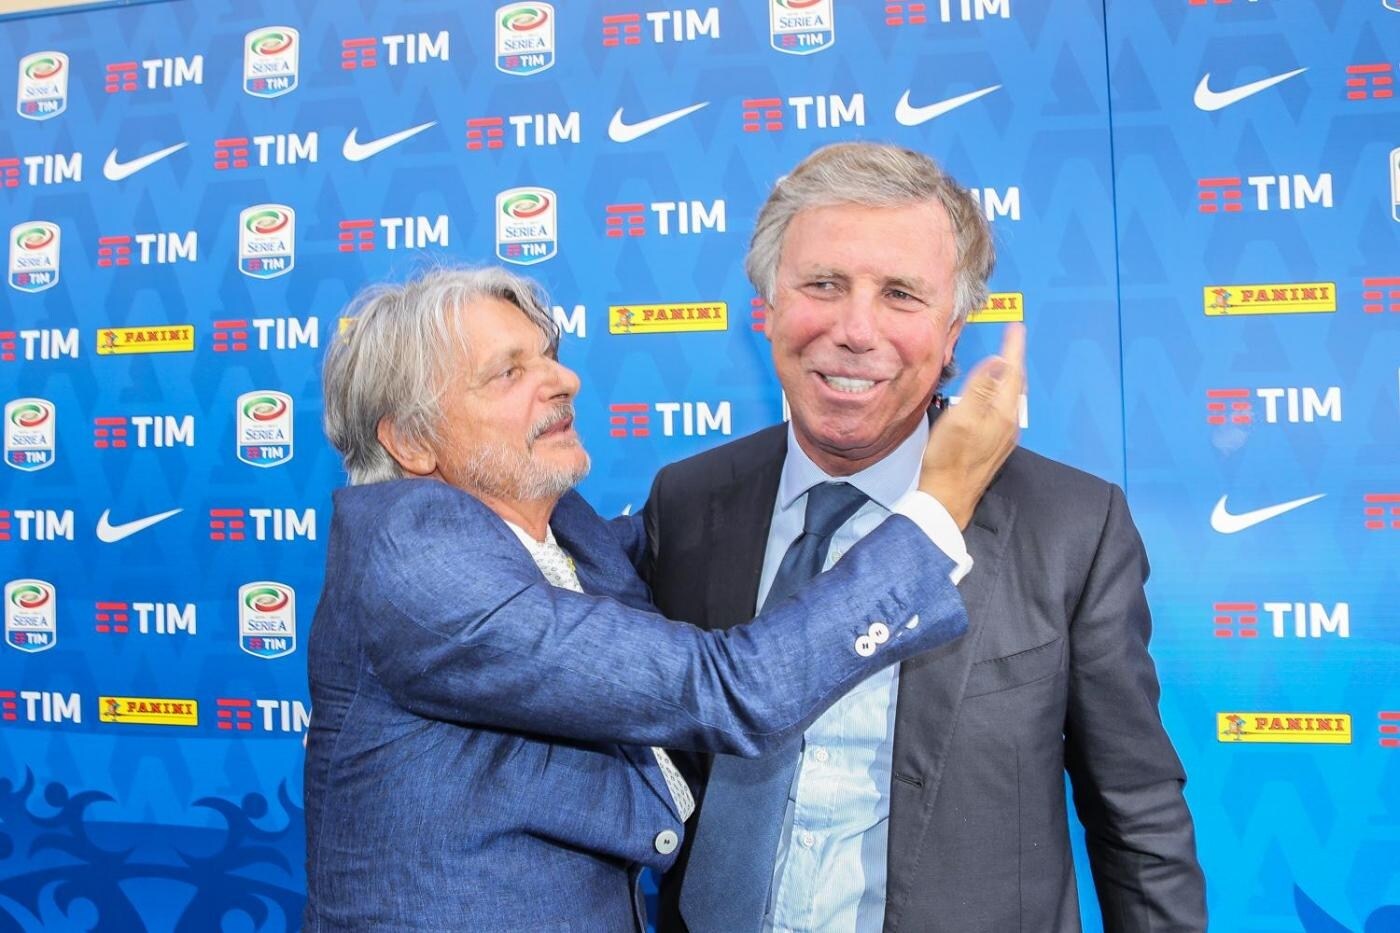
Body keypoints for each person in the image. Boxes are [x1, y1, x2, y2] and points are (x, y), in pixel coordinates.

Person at [301, 265, 1025, 931]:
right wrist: (937, 508)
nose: (563, 380)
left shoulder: (560, 525)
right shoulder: (416, 558)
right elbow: (733, 688)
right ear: (412, 441)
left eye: (548, 355)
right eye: (508, 372)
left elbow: (670, 537)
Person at [646, 143, 1207, 932]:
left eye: (901, 294)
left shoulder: (1071, 525)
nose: (855, 329)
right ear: (765, 310)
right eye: (823, 284)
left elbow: (1137, 818)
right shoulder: (686, 503)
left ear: (952, 337)